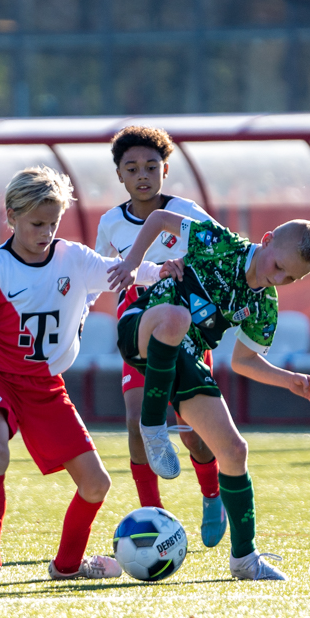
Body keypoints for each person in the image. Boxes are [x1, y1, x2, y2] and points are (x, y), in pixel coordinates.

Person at [0, 166, 173, 586]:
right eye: (37, 223)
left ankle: (67, 566)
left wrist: (159, 270)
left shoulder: (73, 258)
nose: (46, 232)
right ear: (11, 216)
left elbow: (118, 269)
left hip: (46, 387)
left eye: (53, 223)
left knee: (96, 485)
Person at [108, 210, 310, 581]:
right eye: (278, 267)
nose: (278, 279)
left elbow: (244, 362)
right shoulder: (221, 242)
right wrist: (132, 264)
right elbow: (159, 218)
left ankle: (245, 559)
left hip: (184, 359)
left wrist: (289, 379)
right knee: (176, 318)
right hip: (142, 327)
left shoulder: (265, 305)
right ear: (267, 239)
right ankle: (153, 426)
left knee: (235, 450)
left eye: (290, 278)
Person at [94, 125, 226, 549]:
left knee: (193, 430)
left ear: (165, 170)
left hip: (184, 326)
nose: (143, 175)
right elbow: (97, 274)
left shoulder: (186, 211)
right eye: (132, 168)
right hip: (136, 326)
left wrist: (189, 266)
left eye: (151, 167)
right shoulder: (110, 222)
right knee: (136, 421)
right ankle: (154, 518)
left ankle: (212, 494)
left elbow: (222, 251)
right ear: (119, 174)